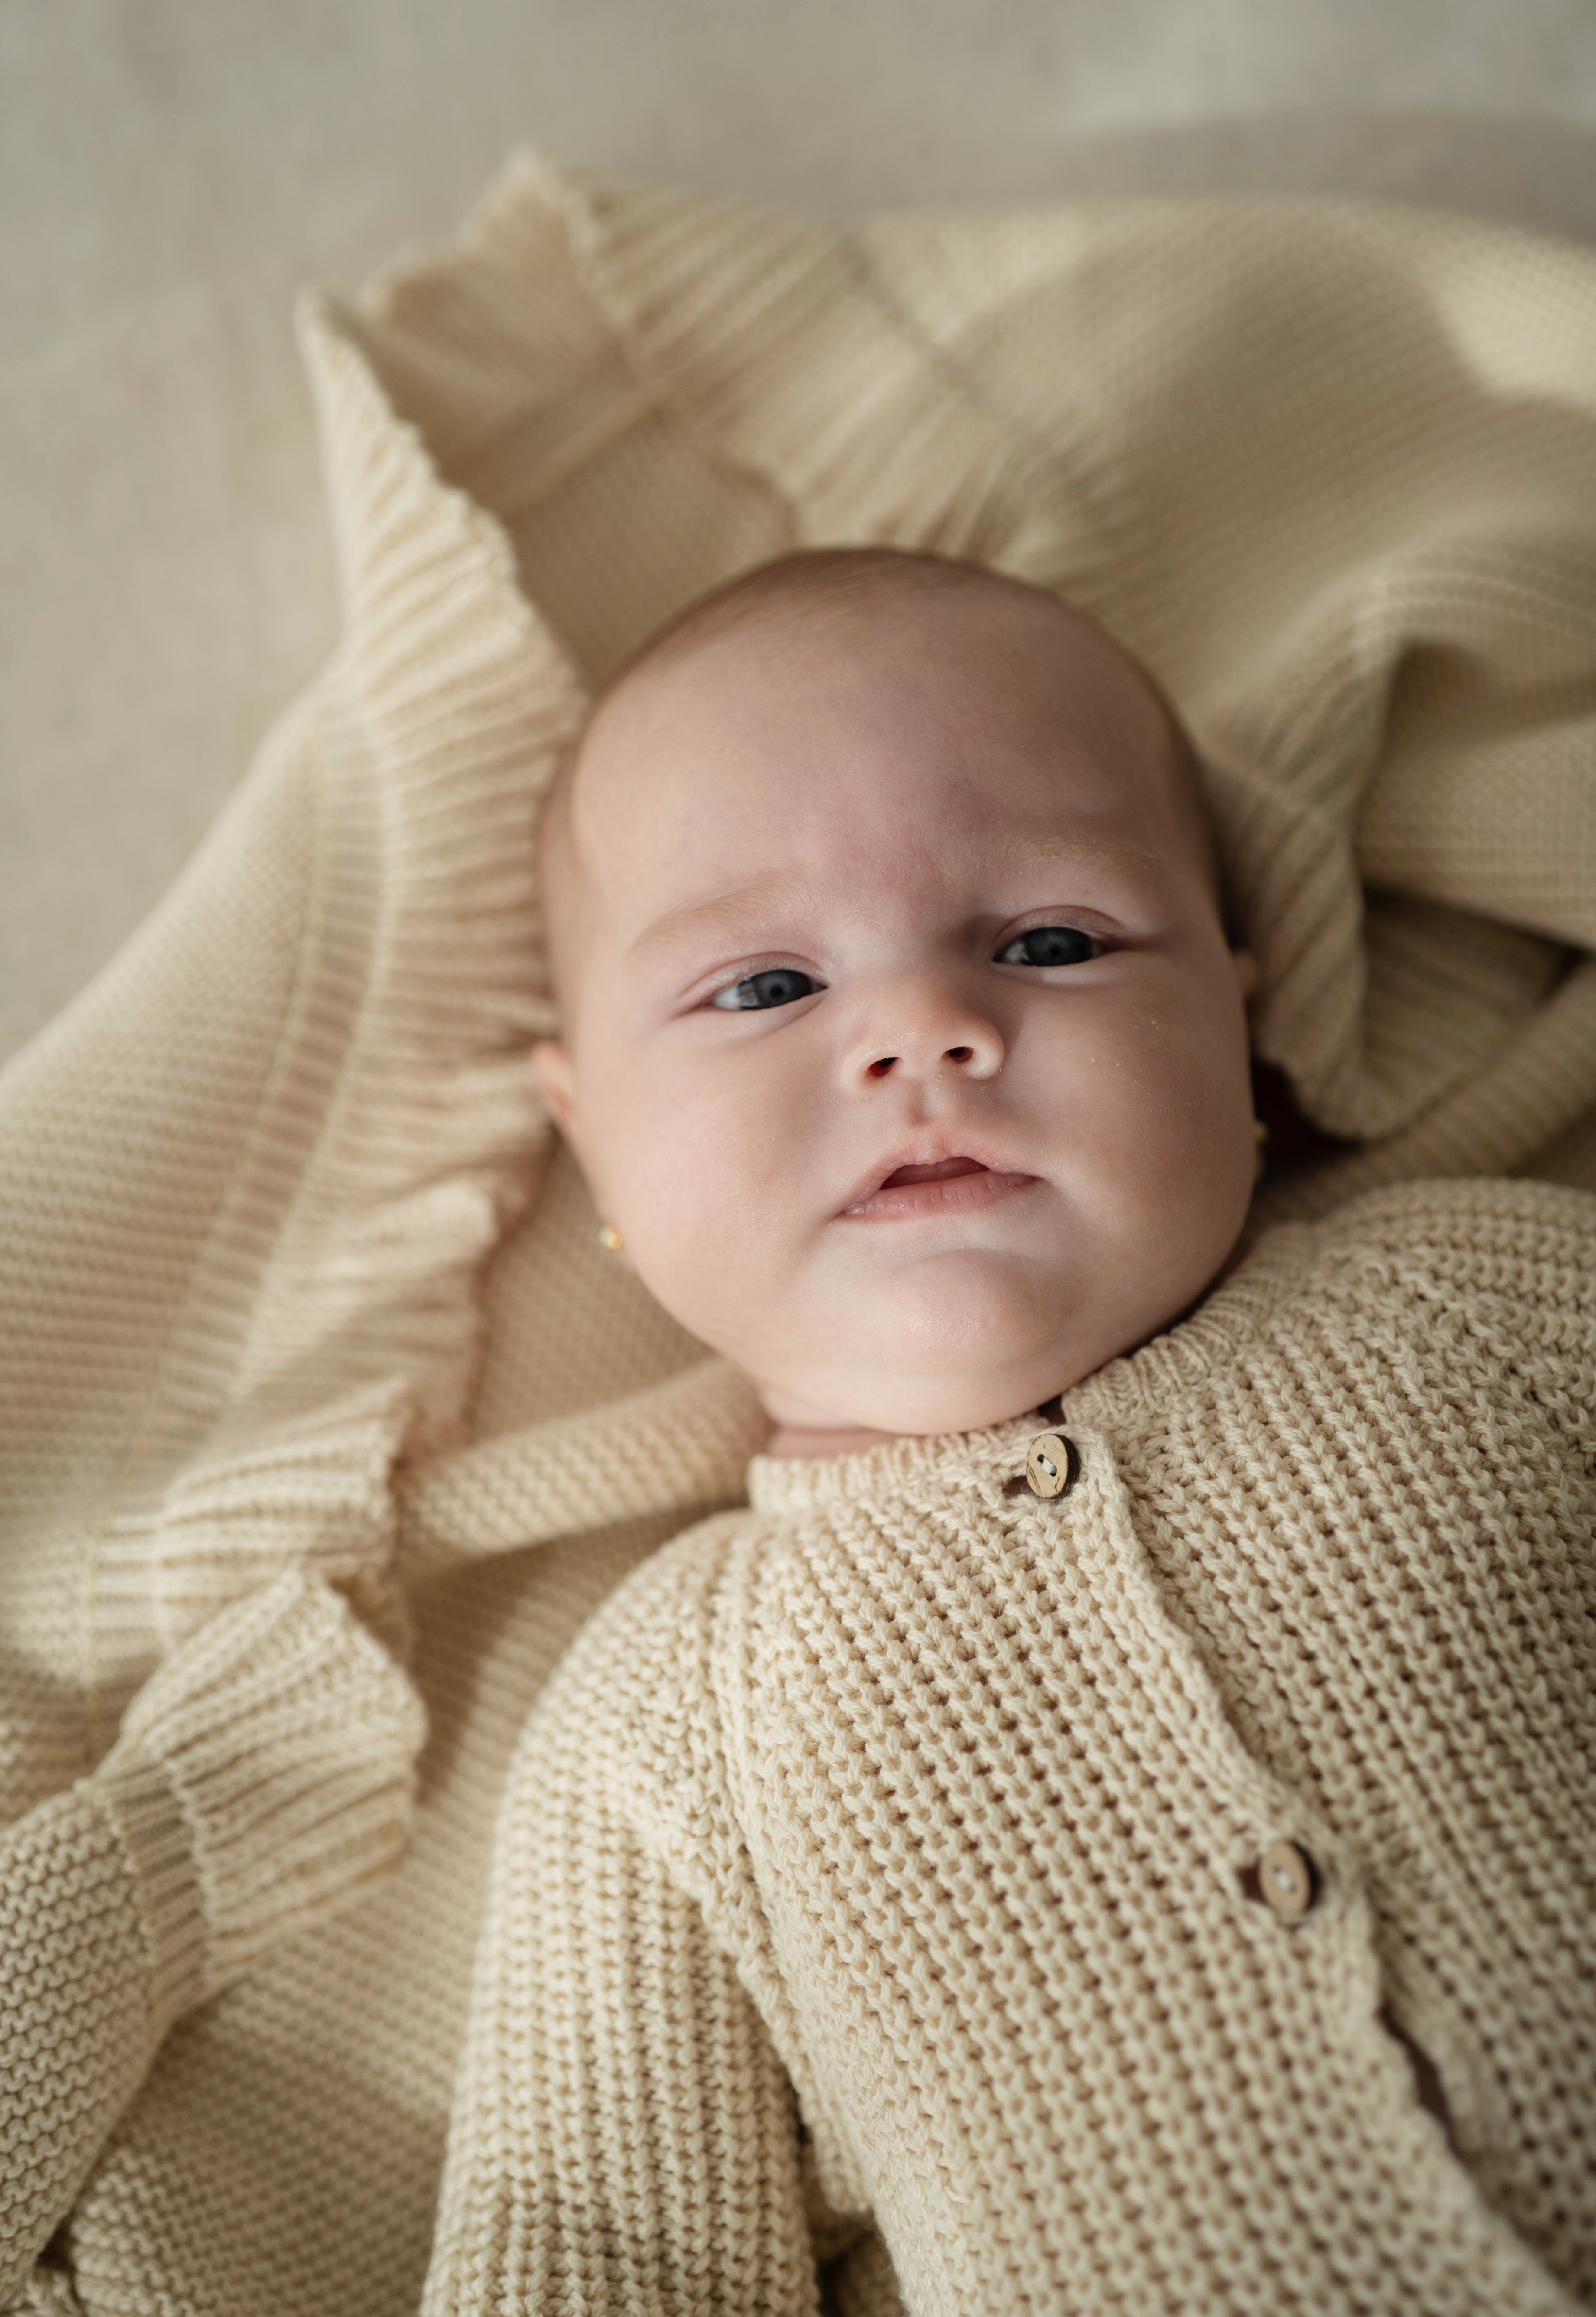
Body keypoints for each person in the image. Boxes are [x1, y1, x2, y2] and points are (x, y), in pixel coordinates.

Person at [428, 546, 1596, 2316]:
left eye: (1050, 941)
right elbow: (602, 2243)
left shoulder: (1477, 1305)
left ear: (1239, 1017)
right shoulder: (662, 1727)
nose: (924, 1032)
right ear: (593, 1140)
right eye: (762, 988)